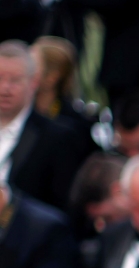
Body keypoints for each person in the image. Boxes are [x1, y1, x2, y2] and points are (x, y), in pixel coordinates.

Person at [0, 39, 85, 211]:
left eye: (15, 80)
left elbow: (62, 210)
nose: (5, 88)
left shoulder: (58, 138)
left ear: (34, 82)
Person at [31, 36, 97, 159]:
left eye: (31, 66)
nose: (25, 71)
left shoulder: (74, 126)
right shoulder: (19, 112)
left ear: (51, 78)